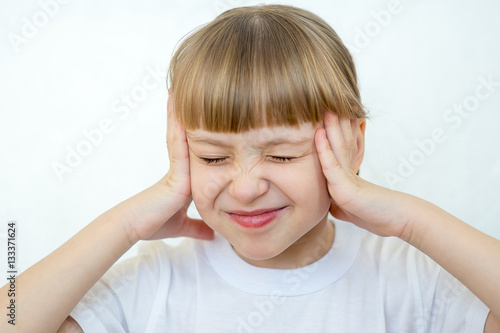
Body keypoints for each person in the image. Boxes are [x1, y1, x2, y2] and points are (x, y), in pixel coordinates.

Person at [1, 4, 499, 333]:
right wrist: (128, 223)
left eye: (282, 155)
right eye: (213, 157)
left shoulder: (411, 282)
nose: (245, 187)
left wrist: (411, 220)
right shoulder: (155, 284)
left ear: (352, 144)